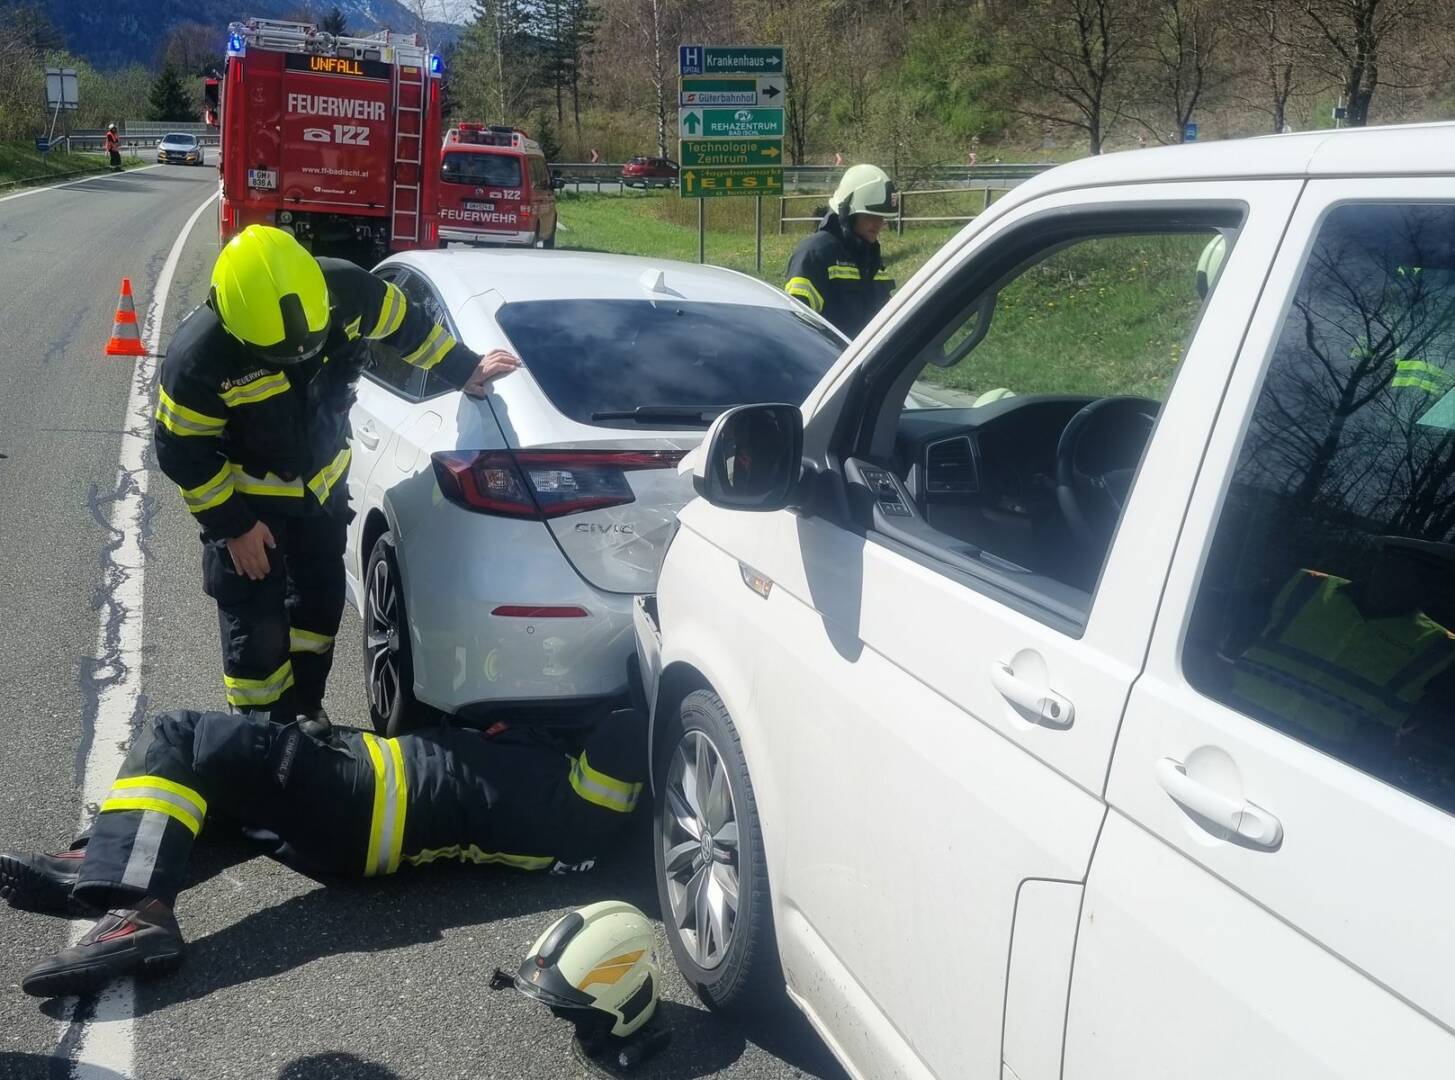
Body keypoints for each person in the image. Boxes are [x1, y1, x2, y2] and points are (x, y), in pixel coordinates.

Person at [0, 705, 647, 998]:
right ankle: (102, 865)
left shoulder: (588, 802)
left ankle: (136, 907)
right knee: (218, 794)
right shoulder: (581, 826)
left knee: (180, 737)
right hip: (363, 836)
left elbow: (630, 719)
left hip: (367, 794)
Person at [155, 225, 520, 727]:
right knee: (256, 635)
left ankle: (306, 713)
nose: (300, 358)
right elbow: (181, 449)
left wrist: (464, 368)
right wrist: (234, 525)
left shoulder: (346, 290)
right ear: (236, 328)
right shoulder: (199, 357)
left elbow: (407, 326)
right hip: (249, 511)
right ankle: (261, 742)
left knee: (318, 612)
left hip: (321, 499)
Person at [784, 163, 898, 338]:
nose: (878, 224)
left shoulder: (869, 256)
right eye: (870, 216)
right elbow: (798, 325)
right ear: (847, 214)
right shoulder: (816, 254)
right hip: (830, 361)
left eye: (881, 217)